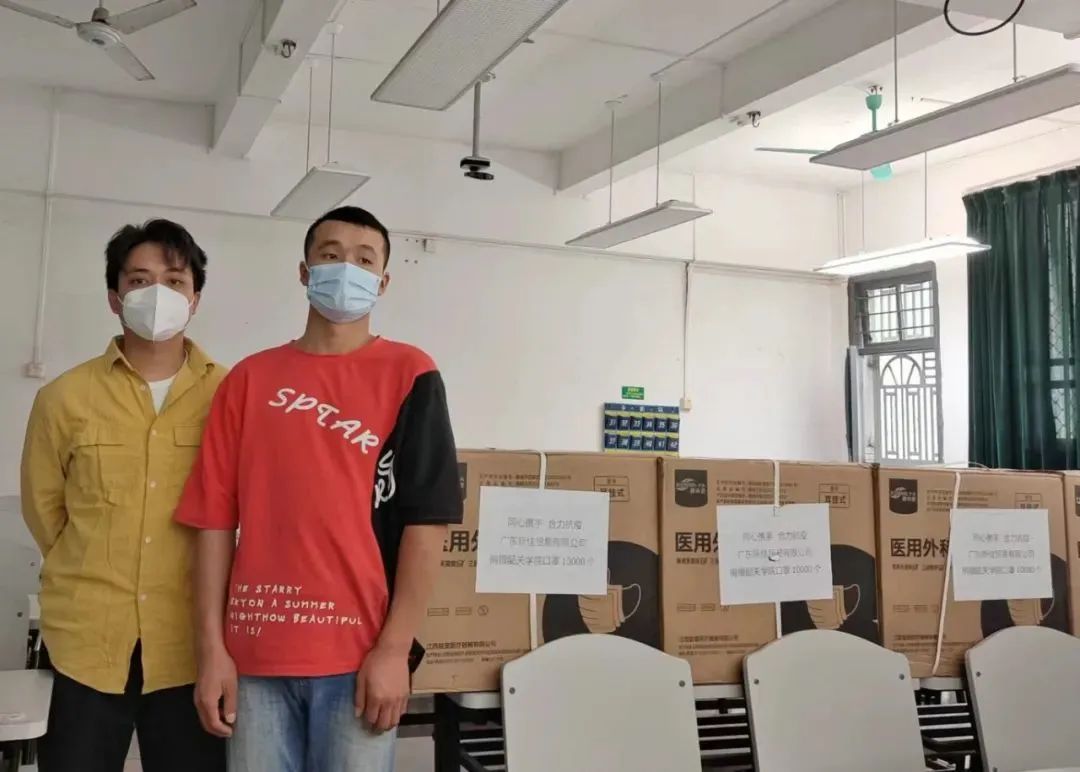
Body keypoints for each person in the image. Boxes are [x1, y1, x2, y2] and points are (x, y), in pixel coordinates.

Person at [176, 206, 462, 771]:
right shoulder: (248, 380)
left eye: (364, 260)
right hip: (256, 655)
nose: (346, 268)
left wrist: (394, 649)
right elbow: (213, 522)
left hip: (359, 657)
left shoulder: (410, 374)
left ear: (383, 281)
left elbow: (426, 525)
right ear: (305, 272)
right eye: (330, 255)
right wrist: (212, 649)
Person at [20, 219, 228, 772]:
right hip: (86, 640)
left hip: (192, 645)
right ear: (114, 298)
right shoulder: (63, 398)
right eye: (139, 280)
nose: (157, 294)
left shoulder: (230, 395)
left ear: (195, 299)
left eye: (175, 281)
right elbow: (44, 510)